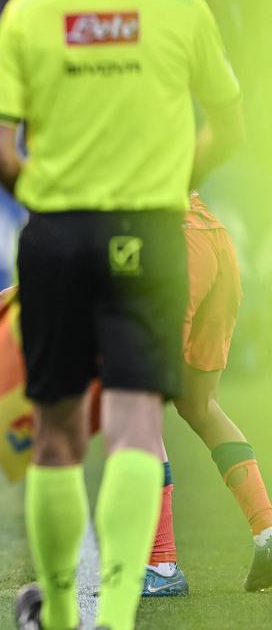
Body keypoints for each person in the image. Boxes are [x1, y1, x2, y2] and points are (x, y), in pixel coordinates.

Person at [0, 0, 245, 629]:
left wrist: (51, 208)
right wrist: (169, 182)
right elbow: (232, 127)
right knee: (137, 427)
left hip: (59, 233)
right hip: (151, 233)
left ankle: (63, 613)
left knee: (56, 435)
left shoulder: (29, 11)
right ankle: (120, 611)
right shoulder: (181, 10)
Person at [143, 192, 271, 596]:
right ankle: (267, 530)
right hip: (212, 236)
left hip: (172, 246)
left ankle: (161, 565)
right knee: (200, 405)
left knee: (137, 402)